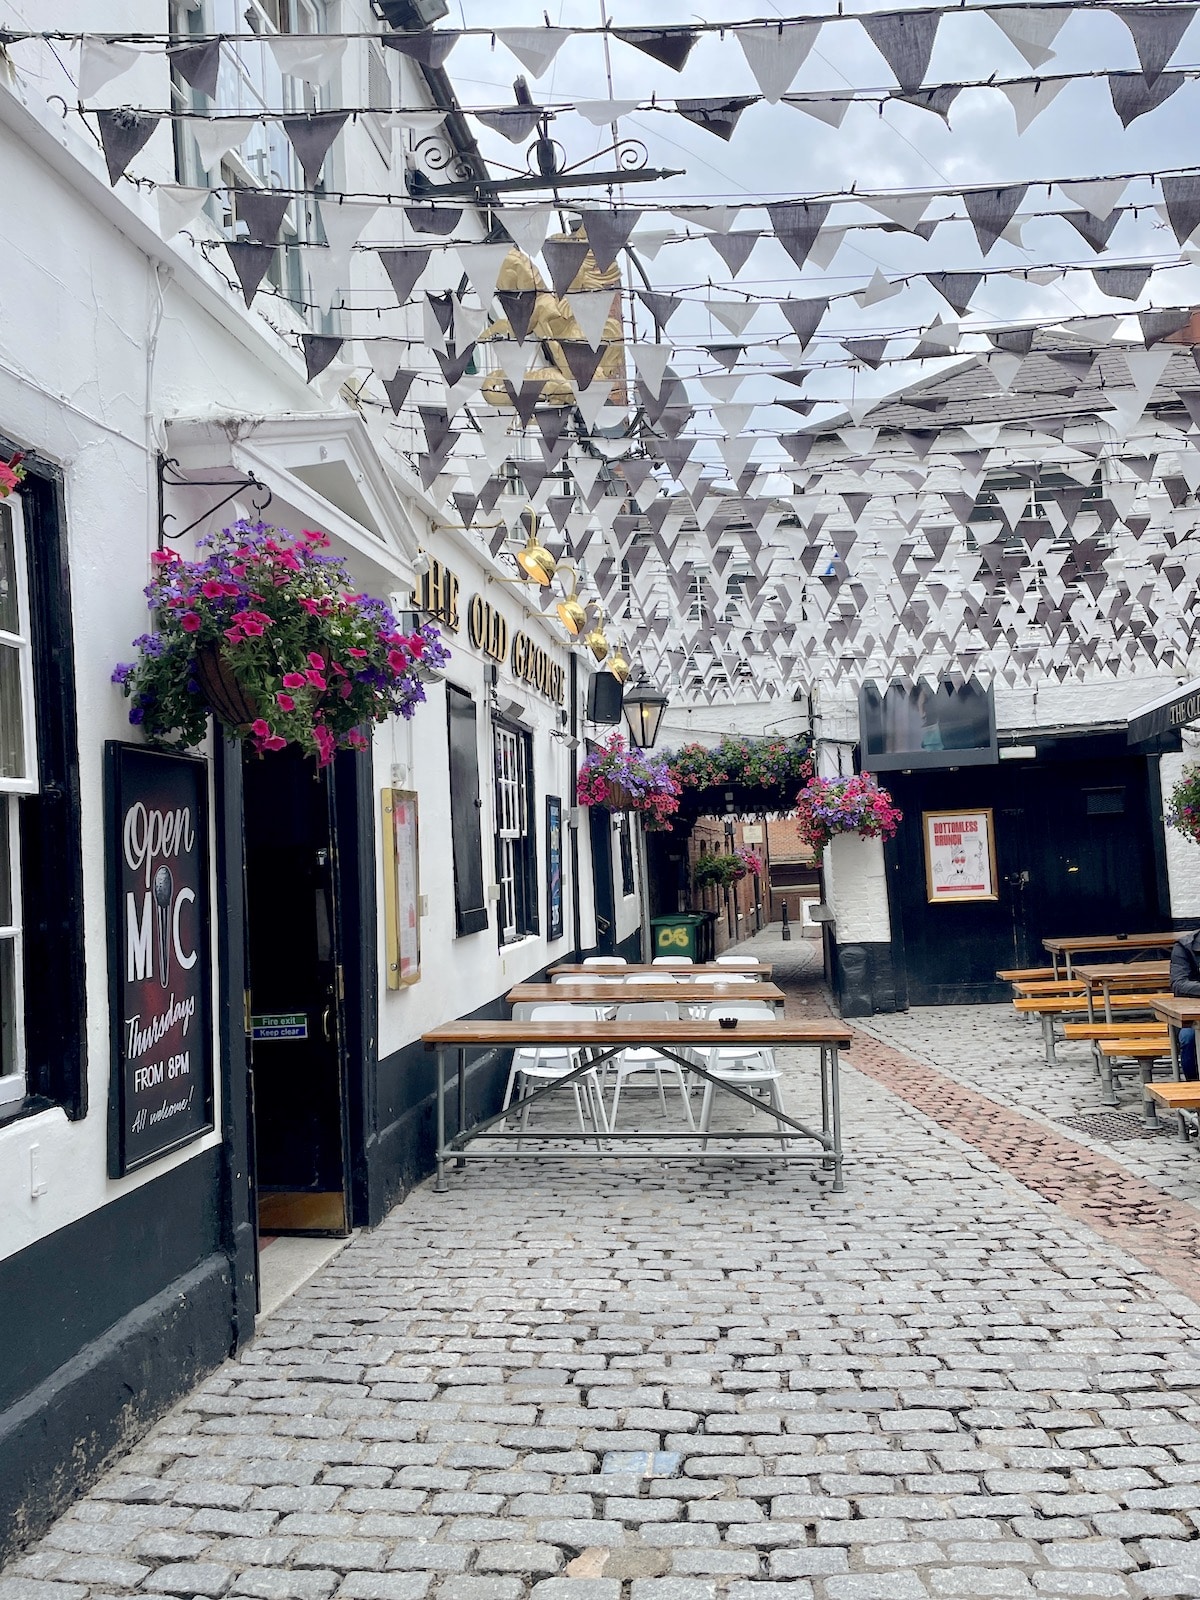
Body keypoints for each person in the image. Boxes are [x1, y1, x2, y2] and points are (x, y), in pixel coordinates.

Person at [1169, 929, 1200, 1081]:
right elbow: (1179, 984)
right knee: (1189, 1037)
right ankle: (1194, 1088)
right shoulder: (1185, 946)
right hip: (1192, 1015)